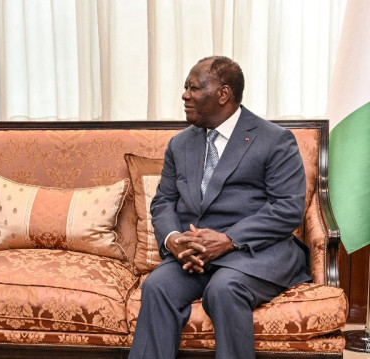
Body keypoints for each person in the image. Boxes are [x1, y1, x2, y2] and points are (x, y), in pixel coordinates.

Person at [128, 56, 311, 359]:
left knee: (224, 289)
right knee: (158, 285)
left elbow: (288, 208)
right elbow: (164, 201)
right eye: (185, 88)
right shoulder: (180, 144)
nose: (185, 95)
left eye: (194, 88)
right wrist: (173, 239)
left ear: (223, 94)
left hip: (254, 251)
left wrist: (228, 240)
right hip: (194, 254)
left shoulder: (275, 140)